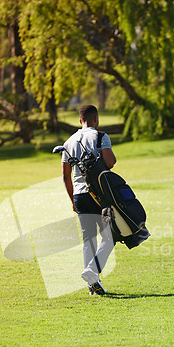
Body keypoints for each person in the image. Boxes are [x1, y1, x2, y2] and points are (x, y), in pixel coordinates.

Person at [61, 104, 117, 295]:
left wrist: (72, 201)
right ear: (96, 119)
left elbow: (65, 176)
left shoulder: (68, 142)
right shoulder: (101, 136)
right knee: (109, 237)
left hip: (78, 195)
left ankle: (92, 286)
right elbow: (110, 163)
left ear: (79, 121)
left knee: (88, 239)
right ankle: (93, 271)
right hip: (98, 194)